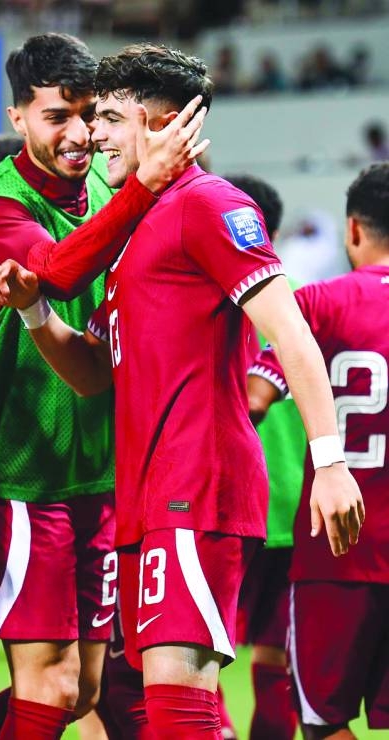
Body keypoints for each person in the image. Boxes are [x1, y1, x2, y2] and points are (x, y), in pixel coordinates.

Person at [0, 43, 363, 736]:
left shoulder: (209, 204)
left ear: (161, 123)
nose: (93, 133)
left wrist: (330, 461)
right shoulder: (139, 227)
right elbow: (96, 370)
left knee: (179, 703)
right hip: (147, 496)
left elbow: (290, 330)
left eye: (108, 116)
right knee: (171, 707)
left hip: (196, 485)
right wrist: (35, 312)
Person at [0, 33, 206, 740]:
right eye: (56, 115)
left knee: (84, 686)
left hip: (96, 466)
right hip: (21, 470)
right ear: (17, 118)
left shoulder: (101, 185)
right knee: (51, 684)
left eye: (89, 114)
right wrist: (146, 186)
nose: (78, 134)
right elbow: (56, 271)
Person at [248, 162, 389, 740]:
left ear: (353, 229)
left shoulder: (319, 303)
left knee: (322, 719)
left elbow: (257, 397)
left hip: (337, 551)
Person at [225, 173, 303, 740]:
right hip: (294, 511)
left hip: (228, 504)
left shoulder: (213, 298)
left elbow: (251, 403)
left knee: (193, 652)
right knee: (273, 660)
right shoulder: (303, 300)